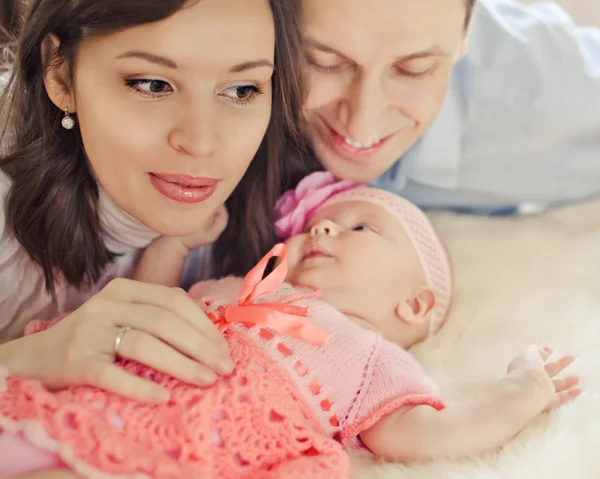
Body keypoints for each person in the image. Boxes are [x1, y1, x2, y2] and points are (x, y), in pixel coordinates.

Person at [0, 172, 579, 478]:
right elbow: (149, 307)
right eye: (316, 227)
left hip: (183, 448)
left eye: (358, 229)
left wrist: (523, 391)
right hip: (90, 395)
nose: (322, 231)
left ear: (415, 305)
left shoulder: (368, 357)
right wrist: (174, 244)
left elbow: (427, 438)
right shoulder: (238, 288)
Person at [0, 0, 307, 403]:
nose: (200, 143)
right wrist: (31, 357)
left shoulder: (283, 206)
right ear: (60, 73)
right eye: (152, 84)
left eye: (240, 90)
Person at [301, 0, 600, 214]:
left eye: (413, 69)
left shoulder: (549, 100)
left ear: (464, 37)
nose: (361, 126)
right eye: (325, 63)